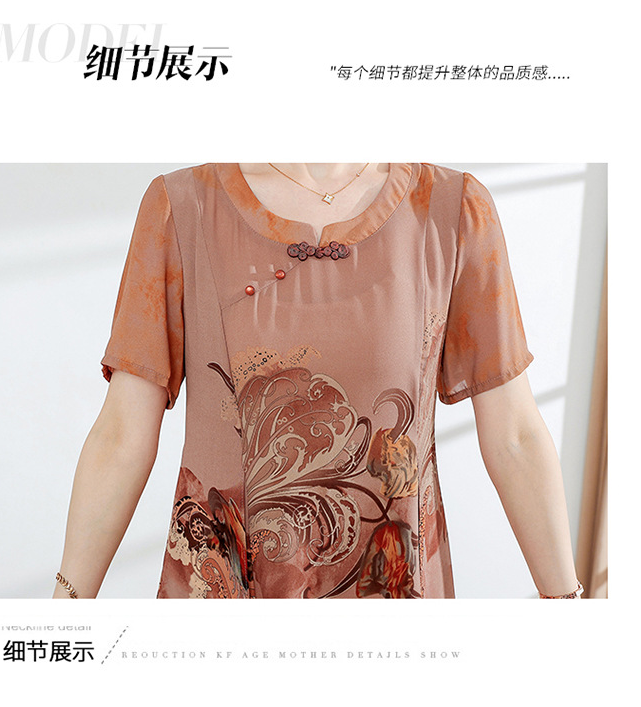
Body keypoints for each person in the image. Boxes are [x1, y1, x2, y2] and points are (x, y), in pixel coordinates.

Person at [53, 163, 582, 600]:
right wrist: (65, 610)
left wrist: (567, 605)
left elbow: (514, 434)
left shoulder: (450, 210)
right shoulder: (182, 207)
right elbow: (122, 434)